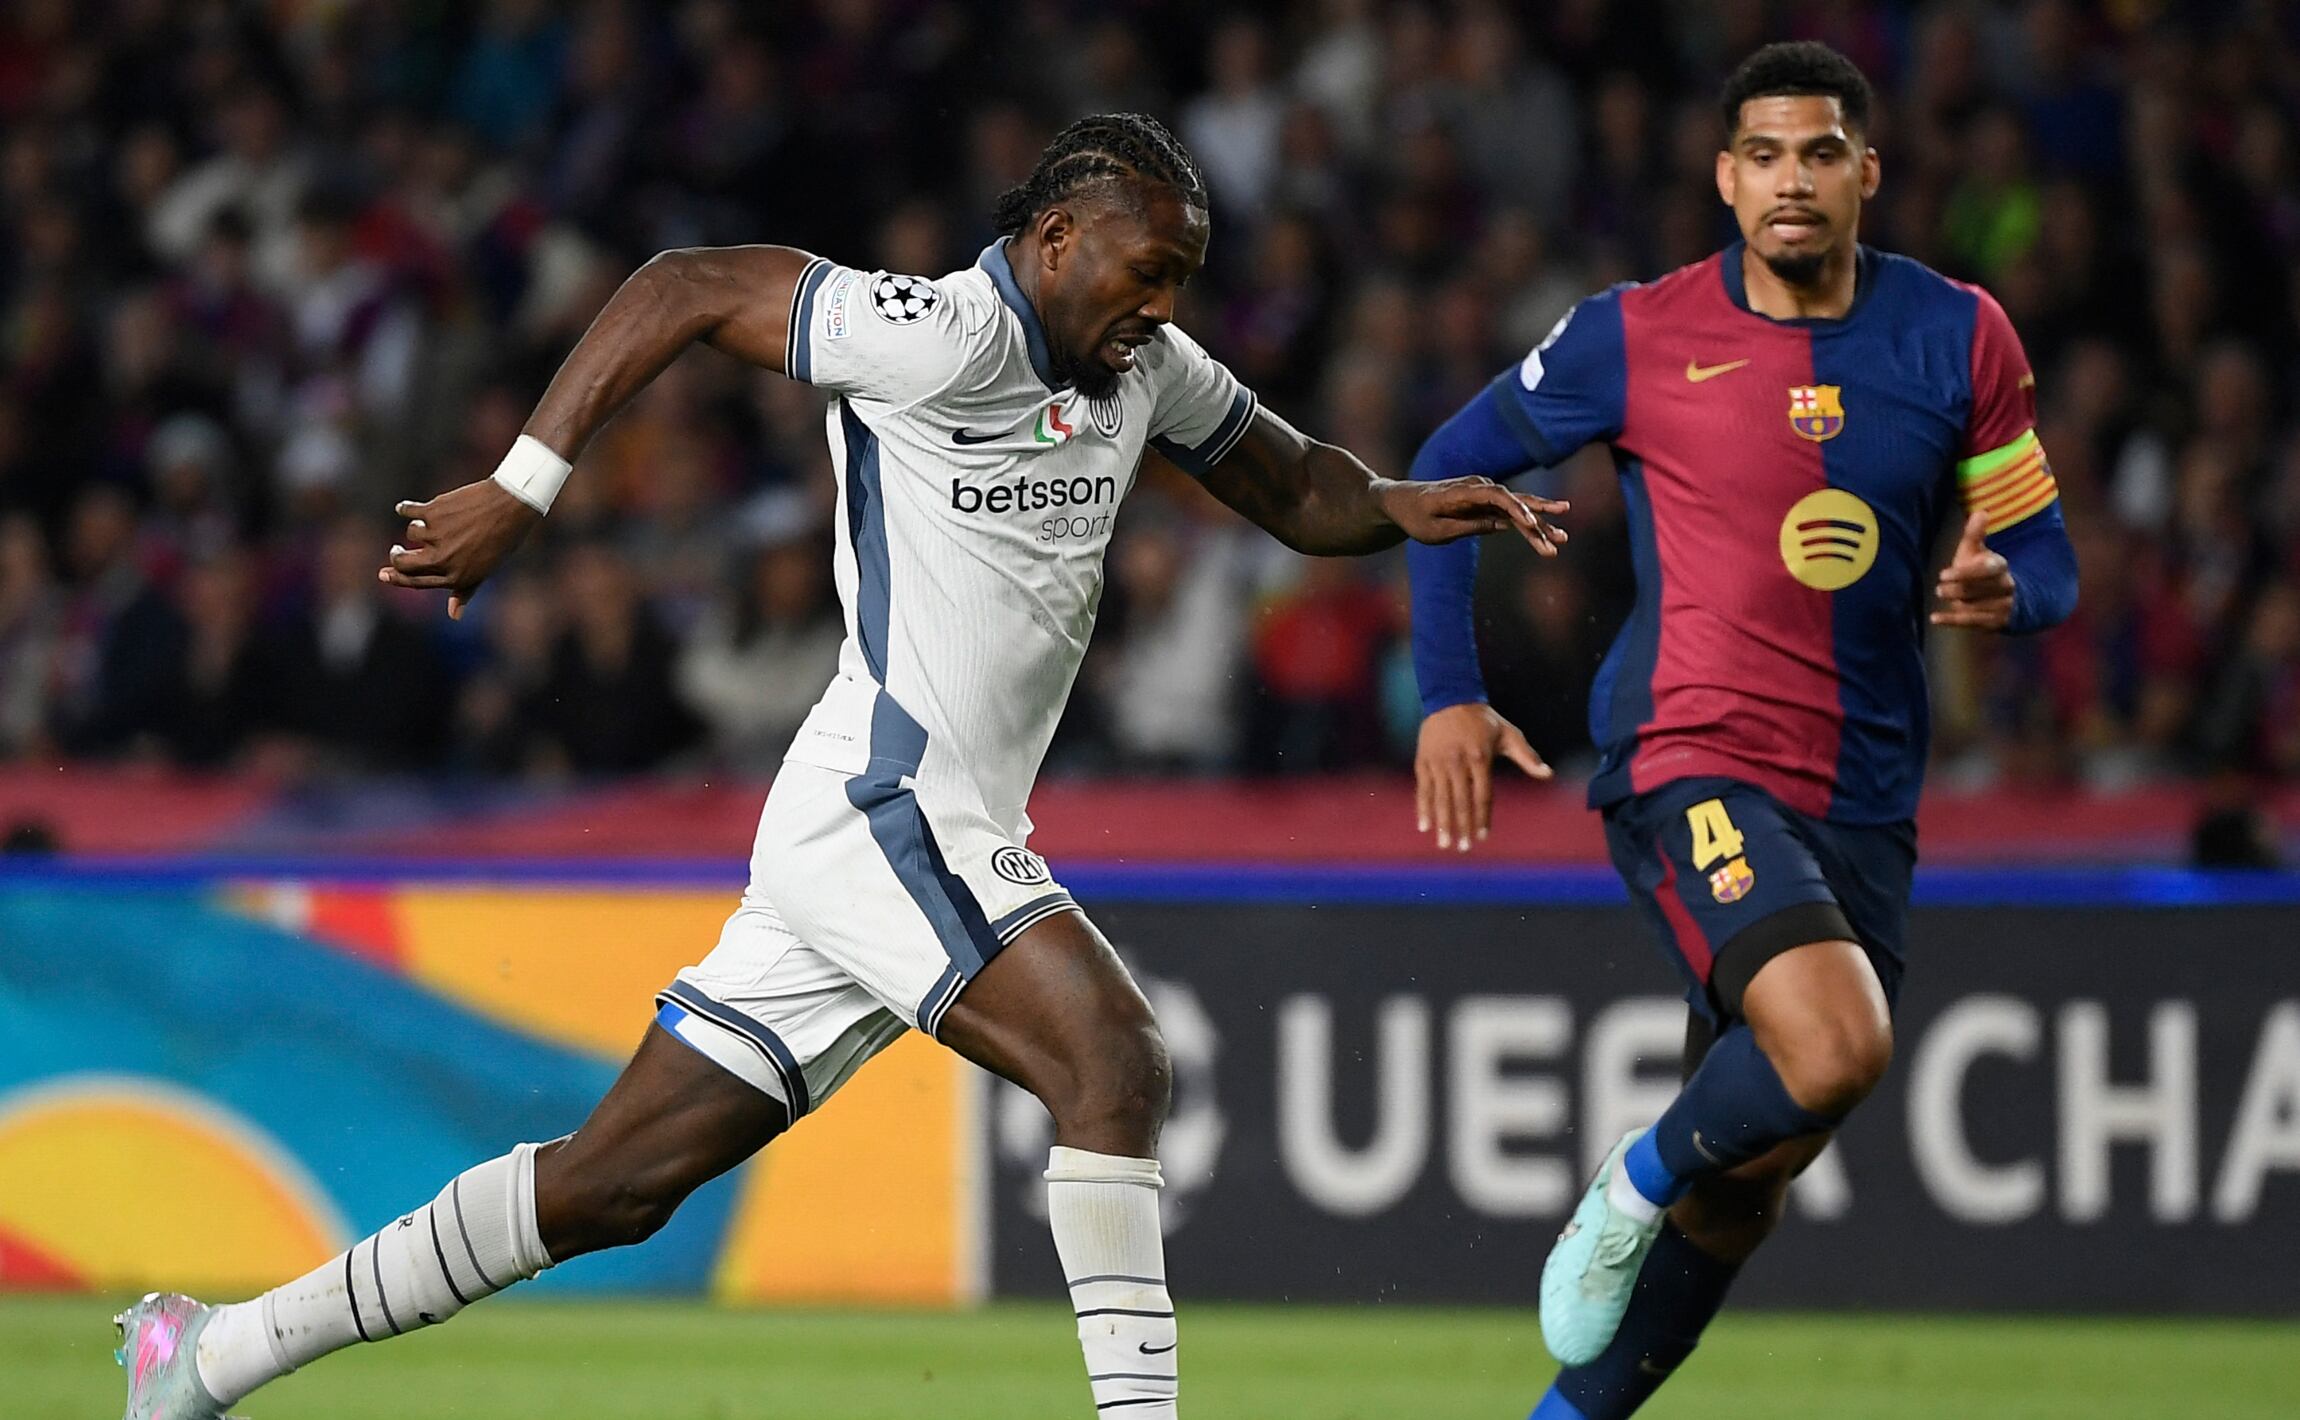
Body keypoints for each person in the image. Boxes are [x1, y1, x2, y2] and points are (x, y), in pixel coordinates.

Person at [115, 112, 1564, 1420]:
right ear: (1054, 239)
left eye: (1182, 277)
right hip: (891, 803)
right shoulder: (935, 332)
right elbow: (683, 286)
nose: (1163, 306)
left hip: (883, 824)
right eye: (1145, 270)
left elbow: (1288, 478)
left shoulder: (1146, 365)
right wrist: (523, 487)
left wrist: (1398, 504)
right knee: (1114, 1060)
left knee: (609, 1187)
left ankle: (211, 1357)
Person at [1403, 45, 2078, 1420]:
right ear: (1723, 177)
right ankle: (1632, 1172)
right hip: (1687, 756)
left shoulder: (1962, 337)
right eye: (1763, 154)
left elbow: (2049, 557)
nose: (1791, 180)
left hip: (1869, 795)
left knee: (1754, 1181)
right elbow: (1436, 472)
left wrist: (2014, 590)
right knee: (1832, 1049)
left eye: (1820, 152)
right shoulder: (1632, 335)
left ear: (1866, 173)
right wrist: (1449, 692)